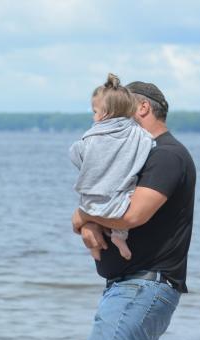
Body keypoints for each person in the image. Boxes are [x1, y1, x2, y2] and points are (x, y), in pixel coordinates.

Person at [72, 81, 196, 340]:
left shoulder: (167, 156)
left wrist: (86, 218)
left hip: (146, 284)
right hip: (131, 283)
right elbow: (97, 207)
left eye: (123, 108)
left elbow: (132, 216)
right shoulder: (140, 154)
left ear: (142, 108)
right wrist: (88, 221)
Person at [69, 73, 154, 261]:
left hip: (92, 198)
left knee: (89, 209)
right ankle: (119, 236)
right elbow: (149, 147)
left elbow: (76, 153)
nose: (94, 116)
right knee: (127, 193)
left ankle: (94, 248)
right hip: (119, 202)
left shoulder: (93, 135)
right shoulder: (138, 134)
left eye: (94, 111)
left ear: (104, 113)